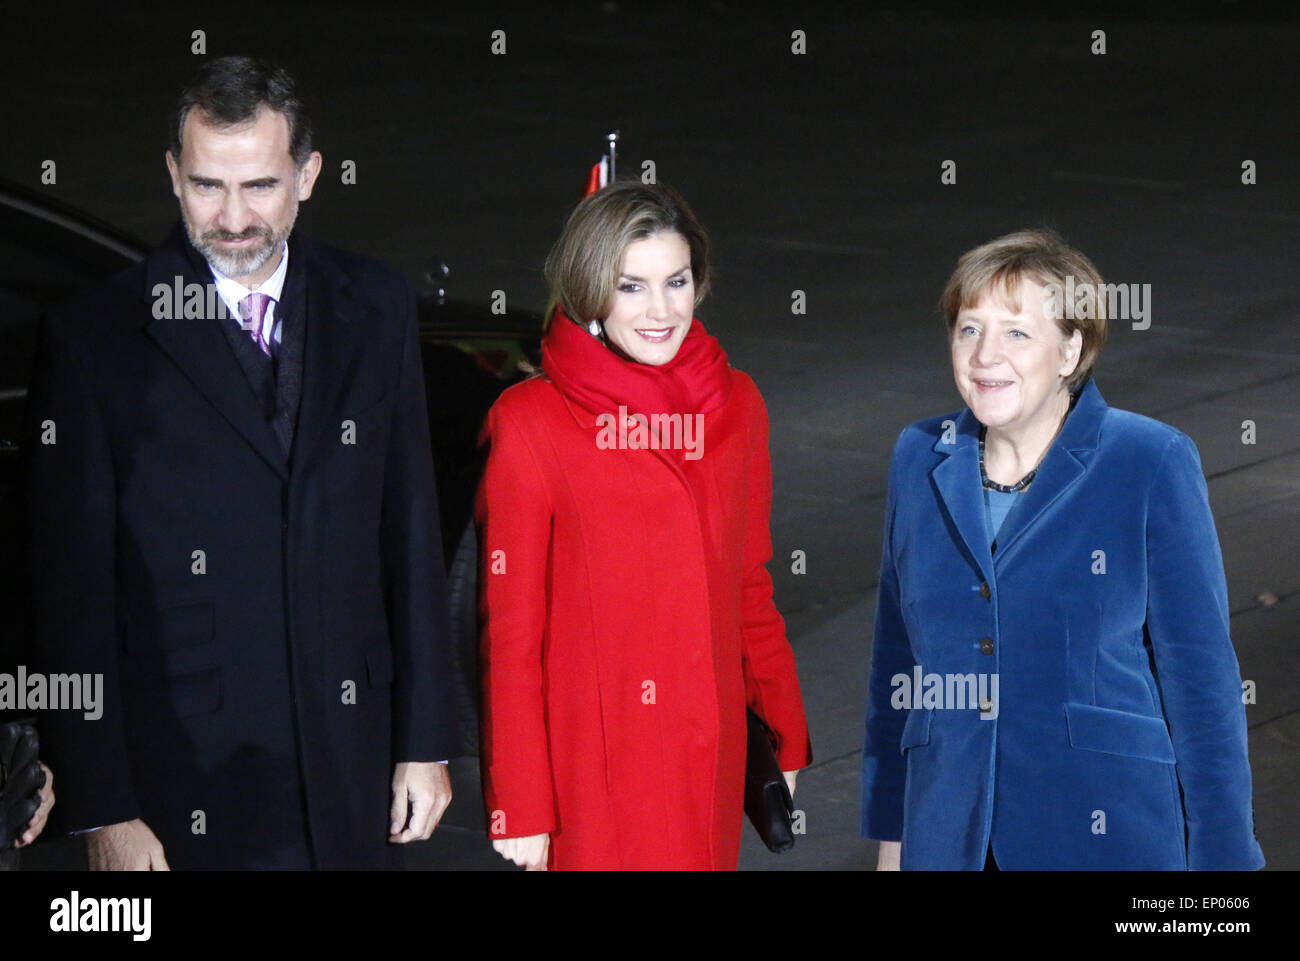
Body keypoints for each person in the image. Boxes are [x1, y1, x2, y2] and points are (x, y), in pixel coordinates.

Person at [25, 56, 456, 869]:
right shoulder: (94, 338)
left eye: (259, 186)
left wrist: (425, 739)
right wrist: (103, 807)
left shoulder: (376, 305)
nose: (231, 218)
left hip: (353, 763)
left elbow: (409, 530)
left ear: (309, 176)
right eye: (205, 186)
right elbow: (71, 593)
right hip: (184, 785)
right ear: (171, 175)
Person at [860, 229, 1264, 870]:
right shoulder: (919, 455)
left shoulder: (1149, 460)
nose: (986, 355)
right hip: (947, 837)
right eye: (969, 329)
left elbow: (1204, 687)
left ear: (1070, 349)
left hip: (1104, 834)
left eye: (1018, 333)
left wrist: (1222, 873)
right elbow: (897, 666)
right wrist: (892, 842)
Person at [476, 181, 812, 870]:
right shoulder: (530, 421)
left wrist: (785, 731)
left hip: (707, 752)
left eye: (676, 282)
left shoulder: (738, 404)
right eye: (631, 287)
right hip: (591, 771)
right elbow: (510, 635)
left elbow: (750, 583)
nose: (660, 311)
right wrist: (521, 801)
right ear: (590, 291)